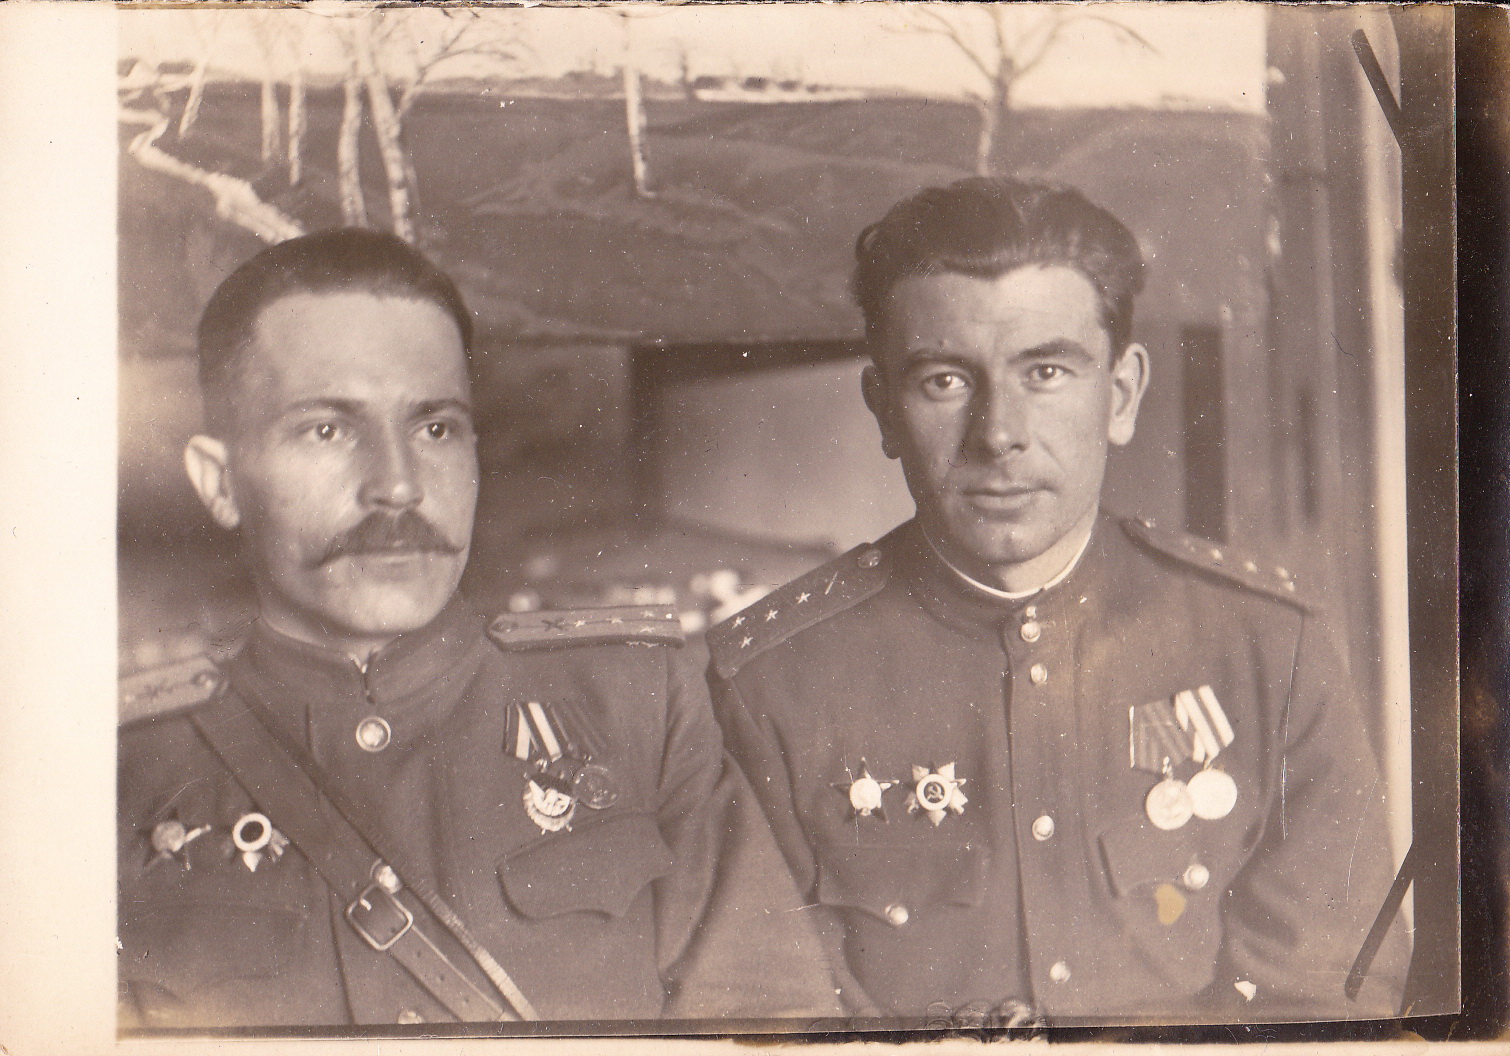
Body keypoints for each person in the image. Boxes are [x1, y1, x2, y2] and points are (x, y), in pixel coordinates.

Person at [706, 177, 1410, 1027]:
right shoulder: (765, 686)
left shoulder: (1267, 650)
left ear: (1121, 395)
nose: (999, 433)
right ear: (884, 409)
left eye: (1045, 372)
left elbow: (1328, 1008)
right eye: (944, 381)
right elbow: (764, 1023)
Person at [117, 229, 840, 1030]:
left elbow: (769, 1027)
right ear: (221, 484)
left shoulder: (638, 710)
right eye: (327, 429)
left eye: (435, 428)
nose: (398, 486)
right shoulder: (123, 770)